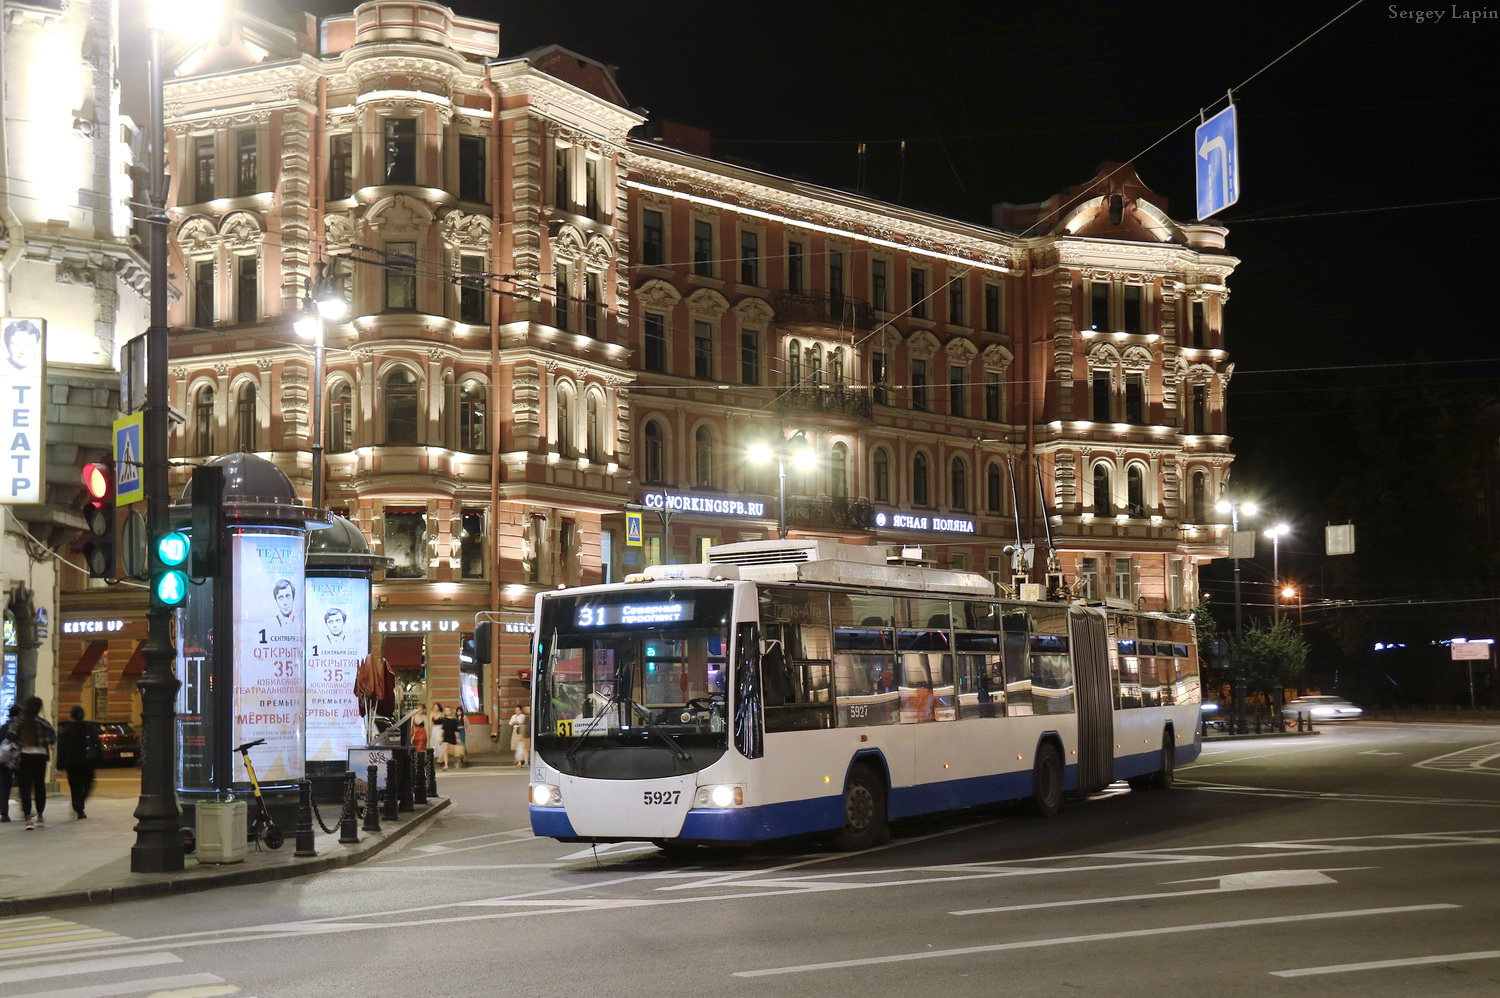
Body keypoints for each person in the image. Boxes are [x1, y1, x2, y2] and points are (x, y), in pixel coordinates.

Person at [13, 696, 55, 829]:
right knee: (39, 786)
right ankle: (40, 817)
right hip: (40, 757)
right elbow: (52, 738)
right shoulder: (43, 723)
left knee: (25, 788)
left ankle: (28, 819)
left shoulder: (20, 722)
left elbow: (11, 735)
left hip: (24, 756)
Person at [55, 706, 100, 819]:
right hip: (87, 762)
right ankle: (80, 805)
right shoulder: (90, 728)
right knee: (87, 785)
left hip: (72, 763)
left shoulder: (66, 730)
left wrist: (59, 765)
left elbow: (62, 748)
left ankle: (78, 806)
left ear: (71, 716)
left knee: (75, 786)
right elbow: (97, 744)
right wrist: (99, 759)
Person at [0, 704, 19, 822]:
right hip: (19, 759)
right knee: (24, 784)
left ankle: (4, 812)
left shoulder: (3, 727)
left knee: (4, 786)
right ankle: (27, 810)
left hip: (4, 759)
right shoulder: (21, 727)